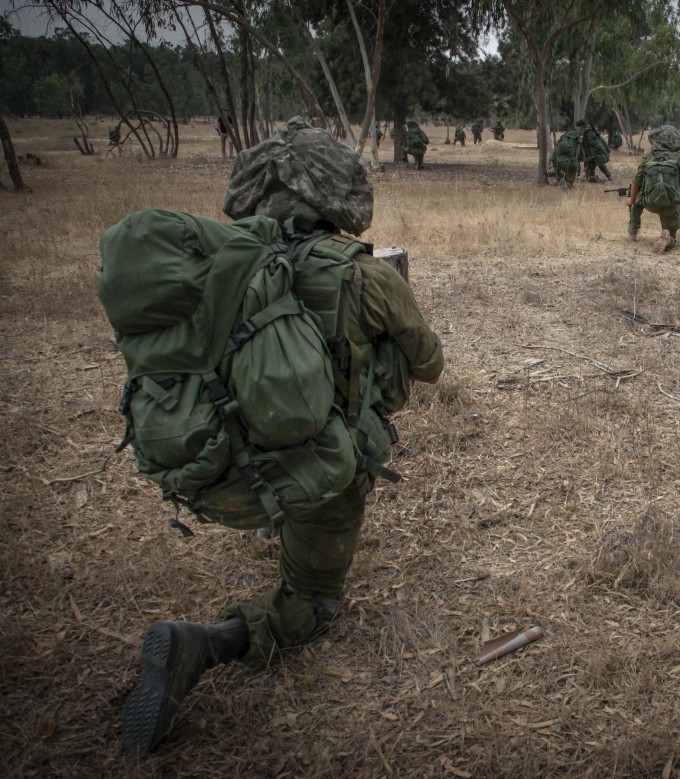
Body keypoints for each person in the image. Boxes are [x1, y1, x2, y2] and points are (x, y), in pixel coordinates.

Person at [119, 117, 444, 755]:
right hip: (316, 476)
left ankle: (278, 512)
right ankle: (206, 644)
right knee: (313, 604)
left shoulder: (218, 270)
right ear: (334, 197)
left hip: (218, 469)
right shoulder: (362, 274)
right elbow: (430, 364)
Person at [625, 124, 680, 253]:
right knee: (672, 234)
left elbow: (636, 184)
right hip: (670, 205)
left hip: (649, 203)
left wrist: (631, 199)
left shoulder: (648, 158)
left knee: (636, 199)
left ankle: (632, 232)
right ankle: (668, 238)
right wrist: (675, 194)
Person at [553, 120, 585, 189]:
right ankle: (568, 183)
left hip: (559, 162)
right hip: (571, 163)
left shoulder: (563, 137)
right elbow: (582, 155)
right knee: (572, 170)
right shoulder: (578, 140)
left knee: (556, 162)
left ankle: (560, 179)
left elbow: (555, 151)